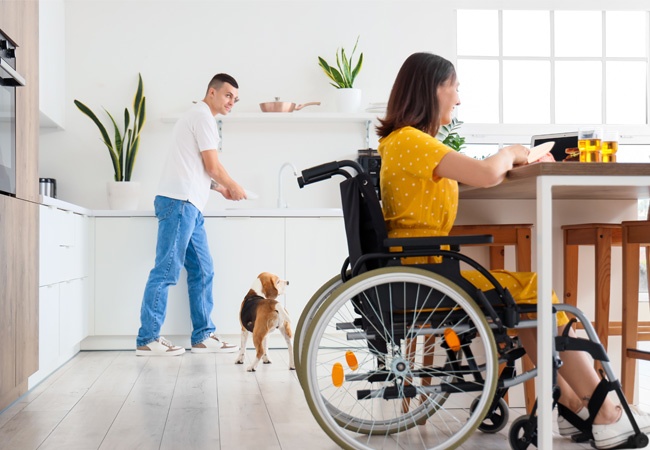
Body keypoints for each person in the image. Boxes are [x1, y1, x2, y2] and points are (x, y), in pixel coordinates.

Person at [376, 52, 650, 449]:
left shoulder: (401, 142)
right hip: (429, 274)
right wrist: (514, 150)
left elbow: (469, 174)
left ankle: (573, 403)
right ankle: (603, 409)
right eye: (455, 87)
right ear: (433, 88)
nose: (458, 98)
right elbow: (487, 174)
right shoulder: (411, 141)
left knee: (524, 296)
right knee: (534, 293)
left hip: (422, 270)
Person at [136, 73, 246, 357]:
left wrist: (219, 188)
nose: (232, 102)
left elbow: (194, 166)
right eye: (228, 95)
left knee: (203, 269)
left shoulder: (198, 117)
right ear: (212, 92)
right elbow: (212, 164)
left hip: (190, 205)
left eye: (235, 98)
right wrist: (233, 184)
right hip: (180, 203)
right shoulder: (203, 117)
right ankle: (148, 339)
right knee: (166, 270)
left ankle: (203, 335)